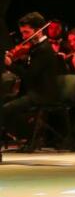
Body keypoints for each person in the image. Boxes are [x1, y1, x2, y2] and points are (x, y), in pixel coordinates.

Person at [2, 12, 67, 153]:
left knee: (6, 109)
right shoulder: (36, 47)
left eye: (26, 32)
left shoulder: (44, 49)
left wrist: (10, 65)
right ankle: (26, 137)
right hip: (34, 91)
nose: (23, 37)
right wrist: (18, 60)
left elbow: (29, 75)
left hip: (43, 94)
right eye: (22, 33)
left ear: (38, 30)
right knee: (4, 101)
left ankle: (26, 137)